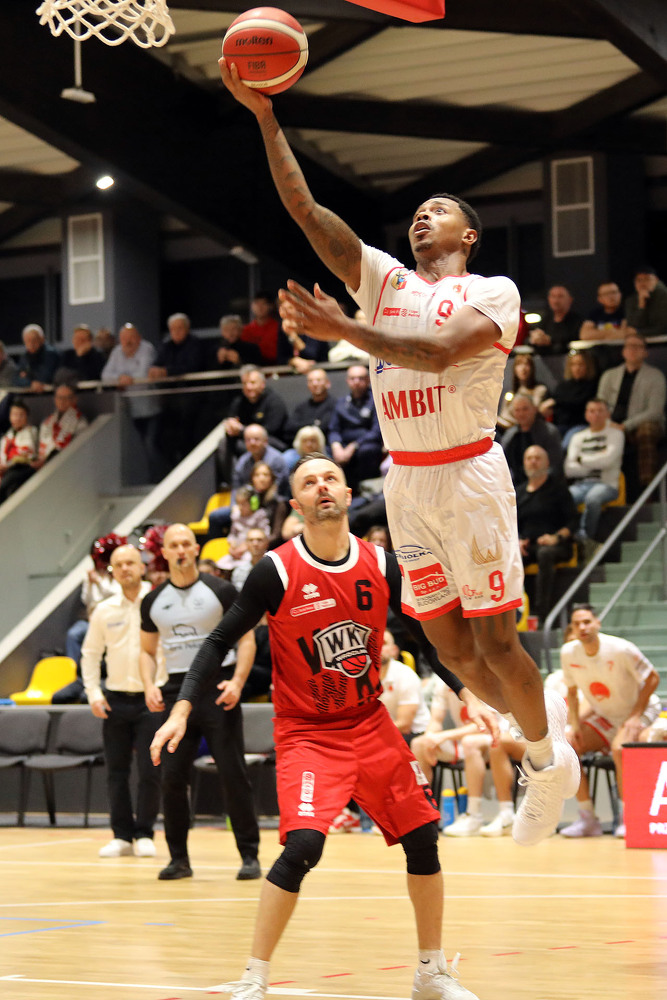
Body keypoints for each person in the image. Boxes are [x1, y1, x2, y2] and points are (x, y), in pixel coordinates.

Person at [220, 58, 579, 851]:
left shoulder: (492, 291)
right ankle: (543, 740)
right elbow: (305, 210)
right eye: (416, 212)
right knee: (450, 648)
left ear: (467, 236)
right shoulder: (382, 282)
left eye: (437, 211)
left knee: (496, 643)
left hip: (469, 472)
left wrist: (343, 332)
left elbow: (440, 355)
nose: (421, 218)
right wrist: (265, 117)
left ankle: (545, 762)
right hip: (407, 483)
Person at [151, 455, 493, 1000]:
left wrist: (466, 692)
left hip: (371, 723)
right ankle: (254, 976)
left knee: (424, 838)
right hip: (308, 732)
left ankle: (431, 972)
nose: (322, 486)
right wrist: (182, 708)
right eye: (309, 482)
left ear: (349, 493)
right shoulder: (276, 570)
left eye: (330, 477)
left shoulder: (381, 563)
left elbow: (426, 638)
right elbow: (217, 641)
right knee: (304, 846)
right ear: (297, 504)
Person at [140, 523, 260, 882]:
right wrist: (148, 685)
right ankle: (179, 860)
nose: (180, 550)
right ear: (164, 552)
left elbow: (247, 640)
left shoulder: (220, 590)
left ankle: (249, 855)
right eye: (173, 545)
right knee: (171, 778)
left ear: (195, 549)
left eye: (186, 544)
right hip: (175, 694)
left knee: (233, 774)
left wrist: (237, 682)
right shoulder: (153, 601)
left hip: (217, 689)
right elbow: (146, 651)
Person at [81, 543, 164, 858]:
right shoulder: (104, 610)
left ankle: (144, 833)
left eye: (131, 563)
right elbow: (90, 654)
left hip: (151, 699)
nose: (125, 568)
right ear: (112, 571)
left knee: (150, 770)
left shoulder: (158, 601)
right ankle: (121, 836)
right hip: (115, 699)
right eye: (119, 565)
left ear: (142, 567)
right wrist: (93, 692)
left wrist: (165, 688)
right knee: (116, 771)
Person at [559, 604, 661, 839]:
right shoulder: (568, 653)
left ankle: (628, 818)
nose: (582, 627)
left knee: (620, 749)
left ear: (598, 623)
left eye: (587, 622)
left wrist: (635, 716)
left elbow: (653, 678)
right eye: (577, 624)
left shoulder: (620, 648)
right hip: (606, 716)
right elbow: (572, 693)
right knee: (567, 746)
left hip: (640, 710)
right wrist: (574, 725)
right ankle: (588, 819)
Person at [411, 679, 524, 839]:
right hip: (462, 738)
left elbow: (485, 725)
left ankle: (473, 815)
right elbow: (435, 720)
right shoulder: (444, 683)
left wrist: (443, 736)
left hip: (495, 735)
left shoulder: (482, 678)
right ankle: (420, 814)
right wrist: (430, 738)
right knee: (419, 744)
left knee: (469, 742)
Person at [516, 445, 579, 625]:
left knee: (545, 554)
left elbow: (573, 521)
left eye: (537, 458)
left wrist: (555, 537)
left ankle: (541, 614)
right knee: (509, 557)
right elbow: (511, 523)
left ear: (547, 463)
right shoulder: (518, 492)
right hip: (528, 545)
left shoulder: (558, 489)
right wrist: (517, 540)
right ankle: (515, 612)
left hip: (556, 544)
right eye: (529, 458)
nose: (533, 462)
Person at [597, 333, 666, 496]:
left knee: (646, 431)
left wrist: (625, 426)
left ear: (645, 352)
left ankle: (648, 490)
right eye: (629, 346)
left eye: (637, 346)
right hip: (612, 423)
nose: (632, 350)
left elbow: (655, 411)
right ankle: (600, 486)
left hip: (640, 425)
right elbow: (599, 404)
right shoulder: (609, 375)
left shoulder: (655, 376)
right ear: (623, 351)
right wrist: (608, 423)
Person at [101, 323, 163, 481]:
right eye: (124, 339)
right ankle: (149, 479)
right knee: (139, 447)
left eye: (131, 338)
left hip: (151, 409)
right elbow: (106, 376)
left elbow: (143, 374)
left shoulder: (146, 348)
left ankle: (159, 479)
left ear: (139, 338)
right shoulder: (117, 352)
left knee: (151, 445)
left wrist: (125, 379)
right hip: (130, 410)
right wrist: (120, 378)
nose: (128, 342)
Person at [564, 399, 624, 553]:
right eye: (592, 411)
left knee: (593, 498)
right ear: (586, 414)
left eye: (600, 411)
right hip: (580, 484)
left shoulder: (616, 434)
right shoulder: (577, 437)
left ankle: (585, 537)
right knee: (562, 497)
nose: (596, 414)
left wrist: (581, 460)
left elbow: (607, 461)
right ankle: (565, 535)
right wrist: (596, 461)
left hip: (607, 484)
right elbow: (569, 469)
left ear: (607, 414)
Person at [327, 364, 383, 493]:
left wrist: (354, 446)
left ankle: (364, 493)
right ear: (347, 381)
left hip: (365, 444)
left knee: (367, 450)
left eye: (361, 378)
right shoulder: (341, 403)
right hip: (344, 445)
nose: (356, 382)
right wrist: (336, 445)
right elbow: (334, 429)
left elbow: (376, 431)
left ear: (368, 380)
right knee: (326, 452)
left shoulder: (376, 400)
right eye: (352, 378)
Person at [222, 365, 288, 460]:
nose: (248, 387)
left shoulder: (274, 402)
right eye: (245, 383)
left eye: (252, 383)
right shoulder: (239, 402)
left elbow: (270, 431)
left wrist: (242, 430)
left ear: (262, 384)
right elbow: (231, 420)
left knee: (251, 445)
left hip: (272, 442)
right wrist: (230, 426)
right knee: (224, 443)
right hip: (246, 440)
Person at [538, 349, 599, 446]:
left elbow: (578, 402)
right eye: (573, 364)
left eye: (581, 364)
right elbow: (553, 402)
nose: (577, 368)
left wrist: (556, 402)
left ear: (588, 366)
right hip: (559, 425)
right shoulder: (563, 386)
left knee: (565, 445)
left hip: (580, 425)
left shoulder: (592, 385)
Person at [501, 394, 563, 486]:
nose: (521, 414)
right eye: (517, 410)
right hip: (515, 485)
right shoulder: (510, 435)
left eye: (525, 409)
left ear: (534, 409)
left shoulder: (549, 432)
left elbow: (555, 465)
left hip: (545, 485)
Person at [32, 383, 88, 471]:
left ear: (74, 399)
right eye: (60, 398)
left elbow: (77, 450)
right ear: (55, 399)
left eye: (67, 398)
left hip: (66, 465)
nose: (62, 401)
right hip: (42, 464)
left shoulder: (80, 423)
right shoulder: (47, 421)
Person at [282, 367, 337, 446]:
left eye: (318, 380)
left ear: (328, 383)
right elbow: (289, 429)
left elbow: (325, 429)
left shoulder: (335, 405)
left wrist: (304, 426)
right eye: (310, 381)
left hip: (325, 448)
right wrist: (313, 423)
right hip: (301, 448)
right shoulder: (302, 407)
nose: (314, 384)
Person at [496, 353, 548, 431]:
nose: (523, 368)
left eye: (526, 364)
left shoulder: (539, 390)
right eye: (519, 364)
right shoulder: (511, 393)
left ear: (532, 368)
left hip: (530, 429)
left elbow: (530, 414)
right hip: (507, 428)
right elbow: (504, 415)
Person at [0, 399, 38, 503]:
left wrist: (6, 466)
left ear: (27, 417)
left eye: (21, 415)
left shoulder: (30, 432)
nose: (17, 418)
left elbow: (24, 456)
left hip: (21, 469)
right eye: (14, 414)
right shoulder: (7, 436)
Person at [528, 285, 582, 355]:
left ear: (570, 299)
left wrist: (550, 340)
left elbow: (570, 340)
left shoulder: (577, 321)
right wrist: (535, 338)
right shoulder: (545, 320)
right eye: (553, 296)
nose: (556, 301)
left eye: (560, 296)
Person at [624, 266, 667, 340]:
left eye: (647, 279)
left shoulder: (664, 297)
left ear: (656, 280)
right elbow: (632, 326)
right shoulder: (631, 300)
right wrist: (641, 306)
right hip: (639, 341)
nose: (643, 283)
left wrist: (639, 332)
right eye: (639, 280)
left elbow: (664, 327)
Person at [15, 323, 60, 391]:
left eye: (34, 340)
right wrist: (30, 383)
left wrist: (27, 376)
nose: (31, 344)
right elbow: (15, 379)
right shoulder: (25, 357)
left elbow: (44, 378)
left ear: (42, 339)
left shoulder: (51, 354)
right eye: (28, 341)